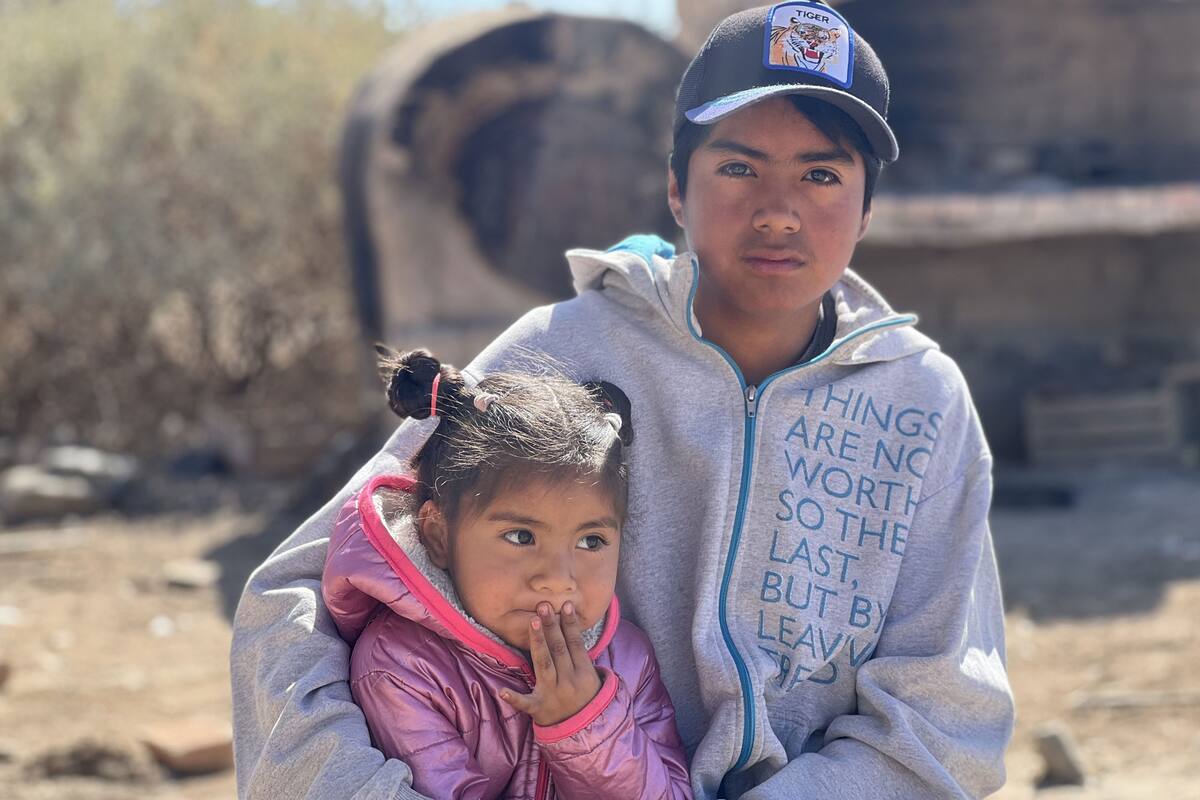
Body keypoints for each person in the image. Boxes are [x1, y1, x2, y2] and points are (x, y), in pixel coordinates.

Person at [231, 3, 1015, 798]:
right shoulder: (565, 349)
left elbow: (945, 716)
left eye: (822, 174)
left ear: (868, 207)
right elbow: (293, 599)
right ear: (676, 189)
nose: (779, 210)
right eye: (739, 168)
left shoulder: (921, 405)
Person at [321, 347, 691, 798]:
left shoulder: (627, 660)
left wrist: (588, 723)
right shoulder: (402, 667)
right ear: (438, 535)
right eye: (521, 536)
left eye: (590, 542)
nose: (557, 578)